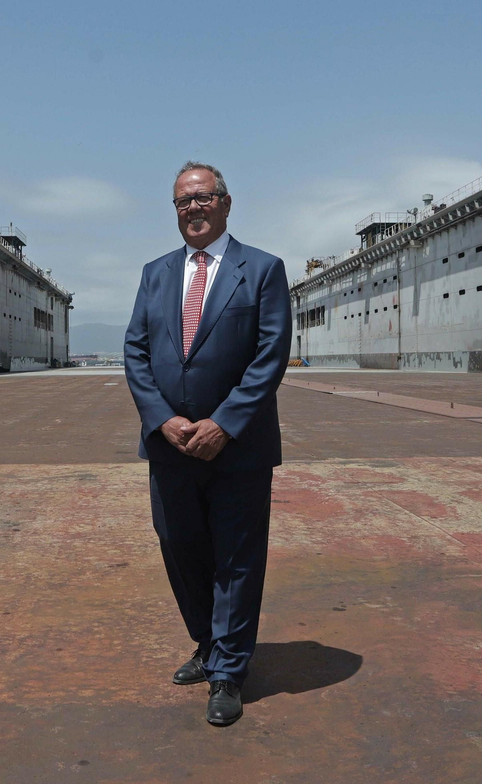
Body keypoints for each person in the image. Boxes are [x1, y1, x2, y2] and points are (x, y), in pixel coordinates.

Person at [123, 160, 293, 726]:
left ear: (224, 202)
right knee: (180, 546)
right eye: (182, 201)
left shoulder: (262, 270)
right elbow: (136, 351)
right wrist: (162, 419)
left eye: (202, 197)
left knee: (237, 559)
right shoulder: (155, 273)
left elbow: (270, 355)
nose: (192, 208)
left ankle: (228, 672)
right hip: (170, 445)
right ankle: (207, 643)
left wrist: (223, 423)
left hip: (237, 447)